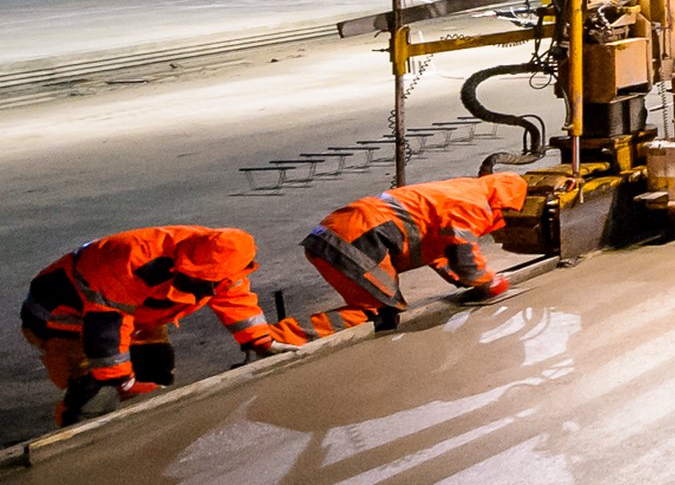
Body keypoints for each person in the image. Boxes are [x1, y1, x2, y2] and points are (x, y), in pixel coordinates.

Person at [21, 226, 328, 429]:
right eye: (197, 280)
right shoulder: (131, 262)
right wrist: (118, 378)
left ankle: (135, 428)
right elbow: (106, 330)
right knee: (94, 384)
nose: (203, 287)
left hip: (134, 312)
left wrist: (260, 342)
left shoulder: (223, 259)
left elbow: (235, 300)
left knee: (154, 370)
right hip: (62, 318)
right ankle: (79, 436)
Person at [302, 171, 532, 321]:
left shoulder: (462, 191)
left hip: (343, 233)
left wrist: (465, 281)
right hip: (356, 238)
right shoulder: (474, 204)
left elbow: (440, 250)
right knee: (377, 313)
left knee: (385, 311)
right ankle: (284, 338)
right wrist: (486, 281)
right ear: (505, 199)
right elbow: (463, 251)